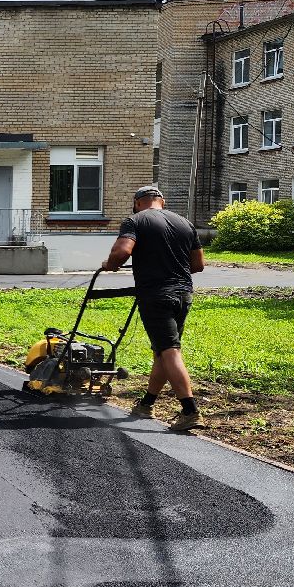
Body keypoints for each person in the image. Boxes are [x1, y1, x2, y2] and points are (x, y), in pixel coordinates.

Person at [101, 185, 205, 431]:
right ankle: (146, 404)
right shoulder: (185, 223)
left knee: (169, 351)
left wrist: (110, 264)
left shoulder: (135, 221)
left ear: (138, 203)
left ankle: (190, 411)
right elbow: (198, 264)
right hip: (184, 295)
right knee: (163, 351)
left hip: (156, 295)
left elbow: (122, 251)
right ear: (162, 201)